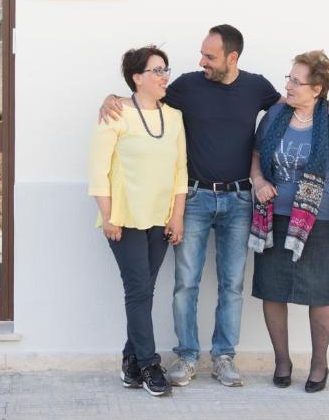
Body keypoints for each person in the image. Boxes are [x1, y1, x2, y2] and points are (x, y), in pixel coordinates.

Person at [100, 25, 329, 388]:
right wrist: (111, 97)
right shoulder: (187, 86)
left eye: (210, 57)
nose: (202, 62)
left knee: (232, 284)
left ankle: (224, 357)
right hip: (196, 197)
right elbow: (144, 97)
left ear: (232, 58)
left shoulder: (257, 87)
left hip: (240, 200)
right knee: (186, 283)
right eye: (202, 54)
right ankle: (186, 357)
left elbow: (297, 101)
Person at [249, 50, 329, 393]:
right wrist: (259, 182)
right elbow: (254, 159)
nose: (289, 85)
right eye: (289, 78)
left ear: (317, 88)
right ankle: (282, 361)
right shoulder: (275, 115)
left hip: (318, 221)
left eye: (297, 81)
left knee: (319, 294)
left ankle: (319, 363)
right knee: (271, 290)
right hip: (272, 218)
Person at [88, 45, 187, 397]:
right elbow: (98, 170)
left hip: (160, 220)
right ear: (138, 78)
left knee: (145, 290)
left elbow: (180, 171)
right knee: (138, 289)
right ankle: (148, 364)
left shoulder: (173, 117)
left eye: (165, 69)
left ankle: (130, 361)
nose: (164, 76)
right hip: (124, 219)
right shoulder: (115, 113)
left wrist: (177, 216)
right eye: (157, 70)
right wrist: (108, 215)